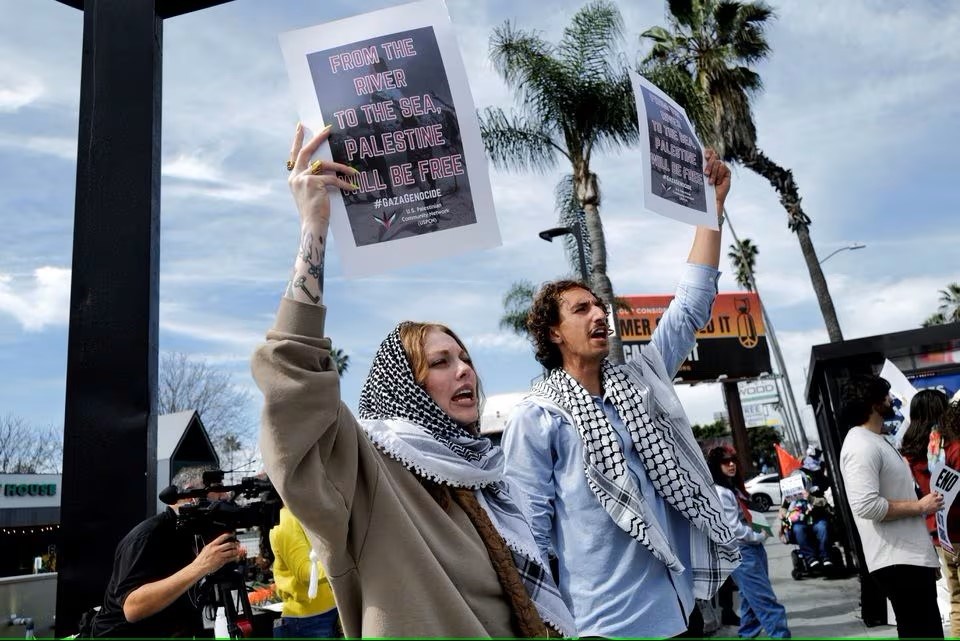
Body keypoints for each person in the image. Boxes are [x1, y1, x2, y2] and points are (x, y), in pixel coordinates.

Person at [254, 124, 575, 638]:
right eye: (441, 362)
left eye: (464, 357)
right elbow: (293, 387)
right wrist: (314, 227)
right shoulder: (374, 473)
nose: (465, 369)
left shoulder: (487, 478)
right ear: (404, 387)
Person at [501, 149, 739, 638]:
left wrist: (712, 208)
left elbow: (691, 305)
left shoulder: (641, 380)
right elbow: (529, 535)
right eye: (581, 309)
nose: (598, 314)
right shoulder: (538, 418)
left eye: (598, 306)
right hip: (602, 626)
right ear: (553, 333)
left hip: (678, 611)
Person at [839, 374, 944, 639]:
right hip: (897, 560)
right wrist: (920, 506)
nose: (891, 400)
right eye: (885, 395)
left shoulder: (876, 439)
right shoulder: (860, 445)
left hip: (908, 557)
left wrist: (925, 554)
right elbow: (867, 505)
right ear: (873, 402)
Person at [88, 466, 244, 638]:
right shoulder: (148, 536)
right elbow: (132, 609)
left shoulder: (195, 535)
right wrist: (200, 567)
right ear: (191, 496)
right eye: (218, 491)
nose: (225, 497)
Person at [708, 445, 791, 638]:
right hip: (742, 550)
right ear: (716, 466)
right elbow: (733, 528)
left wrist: (761, 532)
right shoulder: (721, 492)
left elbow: (751, 514)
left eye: (733, 461)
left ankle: (747, 634)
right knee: (765, 600)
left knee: (751, 598)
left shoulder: (733, 488)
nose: (731, 465)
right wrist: (758, 536)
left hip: (751, 548)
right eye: (725, 462)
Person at [901, 390, 959, 637]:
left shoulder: (910, 454)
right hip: (958, 525)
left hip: (939, 534)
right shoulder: (954, 447)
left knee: (956, 598)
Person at [269, 505, 340, 638]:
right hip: (309, 622)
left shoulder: (303, 512)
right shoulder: (286, 521)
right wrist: (345, 563)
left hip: (324, 615)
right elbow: (305, 573)